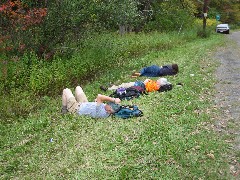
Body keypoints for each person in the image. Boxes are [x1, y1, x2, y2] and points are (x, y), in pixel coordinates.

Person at [100, 78, 171, 92]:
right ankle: (113, 87)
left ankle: (110, 89)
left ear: (160, 83)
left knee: (125, 86)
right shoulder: (156, 84)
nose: (158, 79)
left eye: (159, 80)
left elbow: (147, 86)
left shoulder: (156, 86)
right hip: (139, 85)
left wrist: (146, 81)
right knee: (125, 87)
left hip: (139, 85)